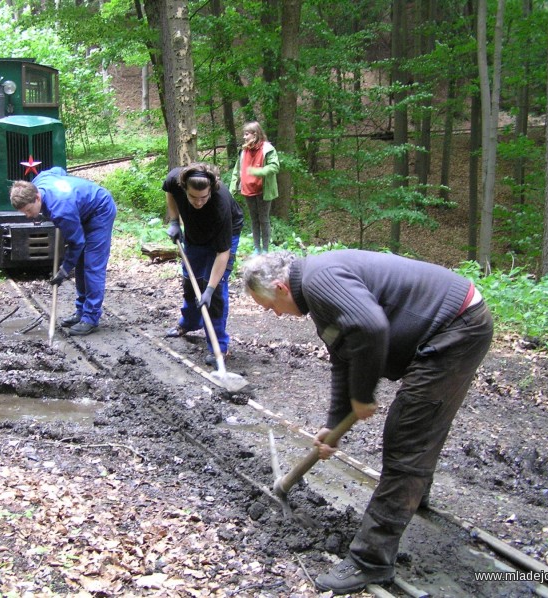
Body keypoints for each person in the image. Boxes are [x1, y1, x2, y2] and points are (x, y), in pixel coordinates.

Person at [241, 249, 493, 595]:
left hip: (455, 328)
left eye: (270, 306)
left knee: (407, 437)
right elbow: (344, 355)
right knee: (417, 426)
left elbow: (371, 327)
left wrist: (362, 395)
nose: (275, 315)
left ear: (281, 288)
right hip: (450, 324)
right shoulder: (317, 294)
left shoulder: (319, 281)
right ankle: (411, 495)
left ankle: (371, 561)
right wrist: (334, 424)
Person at [10, 167, 117, 336]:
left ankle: (90, 318)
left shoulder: (61, 210)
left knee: (91, 265)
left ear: (37, 197)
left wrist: (64, 270)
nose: (28, 216)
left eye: (29, 211)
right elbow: (58, 170)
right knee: (81, 263)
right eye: (24, 213)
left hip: (100, 210)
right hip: (79, 209)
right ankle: (81, 311)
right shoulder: (40, 181)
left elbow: (77, 243)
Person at [164, 162, 244, 366]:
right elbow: (170, 193)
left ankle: (219, 346)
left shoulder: (220, 204)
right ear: (185, 188)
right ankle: (189, 323)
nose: (198, 202)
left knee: (214, 292)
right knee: (190, 283)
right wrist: (174, 221)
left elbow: (222, 253)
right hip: (194, 232)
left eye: (203, 197)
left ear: (211, 189)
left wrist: (209, 289)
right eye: (193, 197)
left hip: (224, 234)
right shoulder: (176, 179)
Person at [229, 122, 279, 255]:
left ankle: (266, 250)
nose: (244, 137)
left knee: (264, 219)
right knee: (254, 220)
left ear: (255, 134)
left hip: (263, 191)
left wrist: (258, 172)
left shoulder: (267, 149)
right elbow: (237, 170)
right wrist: (232, 189)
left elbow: (275, 166)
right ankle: (257, 249)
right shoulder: (244, 150)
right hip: (247, 190)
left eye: (247, 134)